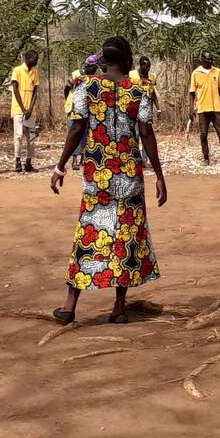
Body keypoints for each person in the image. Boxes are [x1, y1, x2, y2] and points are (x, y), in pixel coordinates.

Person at [50, 35, 167, 325]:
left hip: (97, 178)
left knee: (89, 234)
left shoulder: (84, 88)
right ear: (127, 61)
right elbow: (147, 134)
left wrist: (60, 167)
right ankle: (118, 308)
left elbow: (76, 128)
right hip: (129, 177)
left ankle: (69, 306)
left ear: (104, 61)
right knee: (124, 238)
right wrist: (160, 176)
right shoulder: (139, 91)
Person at [188, 51, 220, 167]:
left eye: (211, 59)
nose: (209, 61)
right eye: (207, 59)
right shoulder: (196, 73)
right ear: (202, 59)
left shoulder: (217, 71)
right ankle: (206, 158)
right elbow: (192, 93)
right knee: (203, 135)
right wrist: (191, 109)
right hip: (202, 108)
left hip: (216, 108)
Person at [10, 49, 41, 173]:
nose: (36, 62)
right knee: (18, 136)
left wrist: (30, 108)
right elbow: (15, 90)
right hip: (19, 109)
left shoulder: (35, 72)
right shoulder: (17, 70)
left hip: (31, 110)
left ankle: (28, 162)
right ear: (28, 59)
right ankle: (17, 161)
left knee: (31, 137)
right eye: (35, 59)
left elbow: (35, 91)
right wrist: (23, 109)